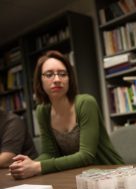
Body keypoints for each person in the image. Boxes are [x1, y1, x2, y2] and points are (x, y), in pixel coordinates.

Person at [9, 50, 123, 179]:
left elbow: (86, 155)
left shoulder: (85, 103)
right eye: (49, 74)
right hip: (80, 177)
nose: (57, 79)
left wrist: (38, 166)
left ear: (69, 79)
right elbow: (49, 153)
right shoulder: (42, 111)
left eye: (62, 74)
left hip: (112, 174)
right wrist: (28, 164)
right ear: (40, 80)